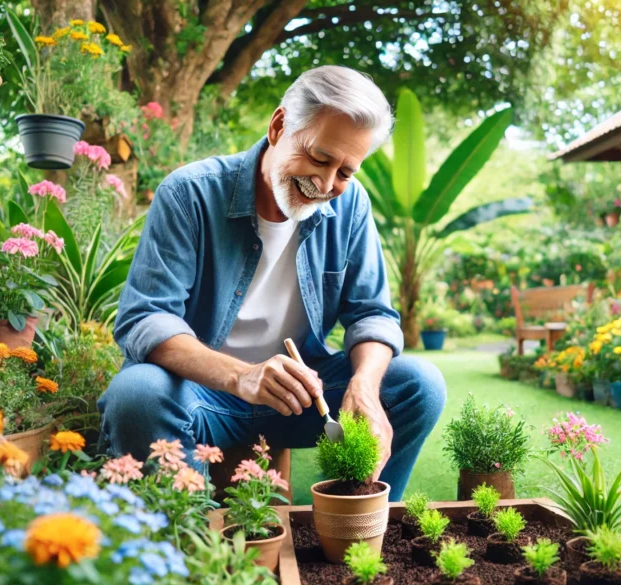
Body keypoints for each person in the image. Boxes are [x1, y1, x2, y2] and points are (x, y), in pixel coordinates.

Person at [98, 66, 446, 500]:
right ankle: (186, 542)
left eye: (344, 172)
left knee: (418, 384)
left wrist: (363, 389)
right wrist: (243, 377)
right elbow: (146, 318)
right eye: (319, 158)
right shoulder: (190, 193)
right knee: (137, 393)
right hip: (201, 397)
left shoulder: (352, 205)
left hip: (305, 399)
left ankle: (365, 528)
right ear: (280, 125)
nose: (325, 184)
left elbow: (371, 313)